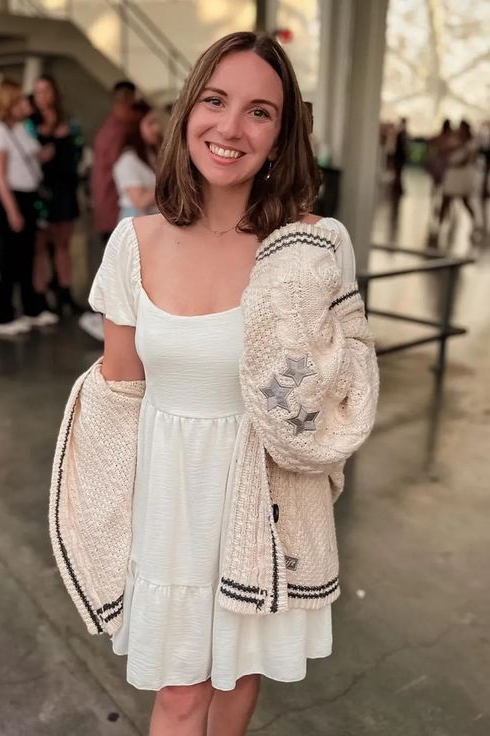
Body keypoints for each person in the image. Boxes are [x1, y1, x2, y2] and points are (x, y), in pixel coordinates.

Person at [56, 32, 379, 735]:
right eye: (215, 101)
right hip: (169, 504)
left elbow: (349, 384)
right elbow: (118, 400)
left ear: (282, 133)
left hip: (261, 502)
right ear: (187, 113)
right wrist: (105, 527)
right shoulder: (133, 243)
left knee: (236, 679)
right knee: (179, 696)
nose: (231, 127)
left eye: (260, 111)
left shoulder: (314, 245)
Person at [0, 79, 58, 337]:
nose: (26, 104)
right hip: (12, 198)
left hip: (27, 195)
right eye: (20, 101)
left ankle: (31, 308)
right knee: (9, 259)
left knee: (26, 255)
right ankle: (3, 314)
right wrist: (11, 210)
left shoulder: (18, 128)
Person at [80, 80, 137, 341]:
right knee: (116, 267)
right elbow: (122, 173)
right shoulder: (118, 132)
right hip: (114, 205)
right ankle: (105, 318)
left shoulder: (112, 129)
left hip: (110, 203)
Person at [31, 75, 84, 316]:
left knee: (64, 242)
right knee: (40, 246)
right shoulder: (30, 123)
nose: (43, 96)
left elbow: (77, 151)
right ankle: (41, 296)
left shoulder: (68, 121)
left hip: (64, 187)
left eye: (46, 90)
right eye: (38, 91)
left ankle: (65, 292)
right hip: (41, 190)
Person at [112, 100, 162, 220]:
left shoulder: (151, 154)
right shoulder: (127, 161)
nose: (156, 128)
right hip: (136, 220)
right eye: (150, 123)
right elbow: (139, 200)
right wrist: (170, 184)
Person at [438, 120, 479, 230]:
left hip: (461, 175)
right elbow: (443, 150)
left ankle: (475, 223)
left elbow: (466, 160)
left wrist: (452, 162)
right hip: (452, 175)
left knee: (465, 200)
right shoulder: (455, 141)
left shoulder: (470, 144)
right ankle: (440, 224)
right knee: (445, 200)